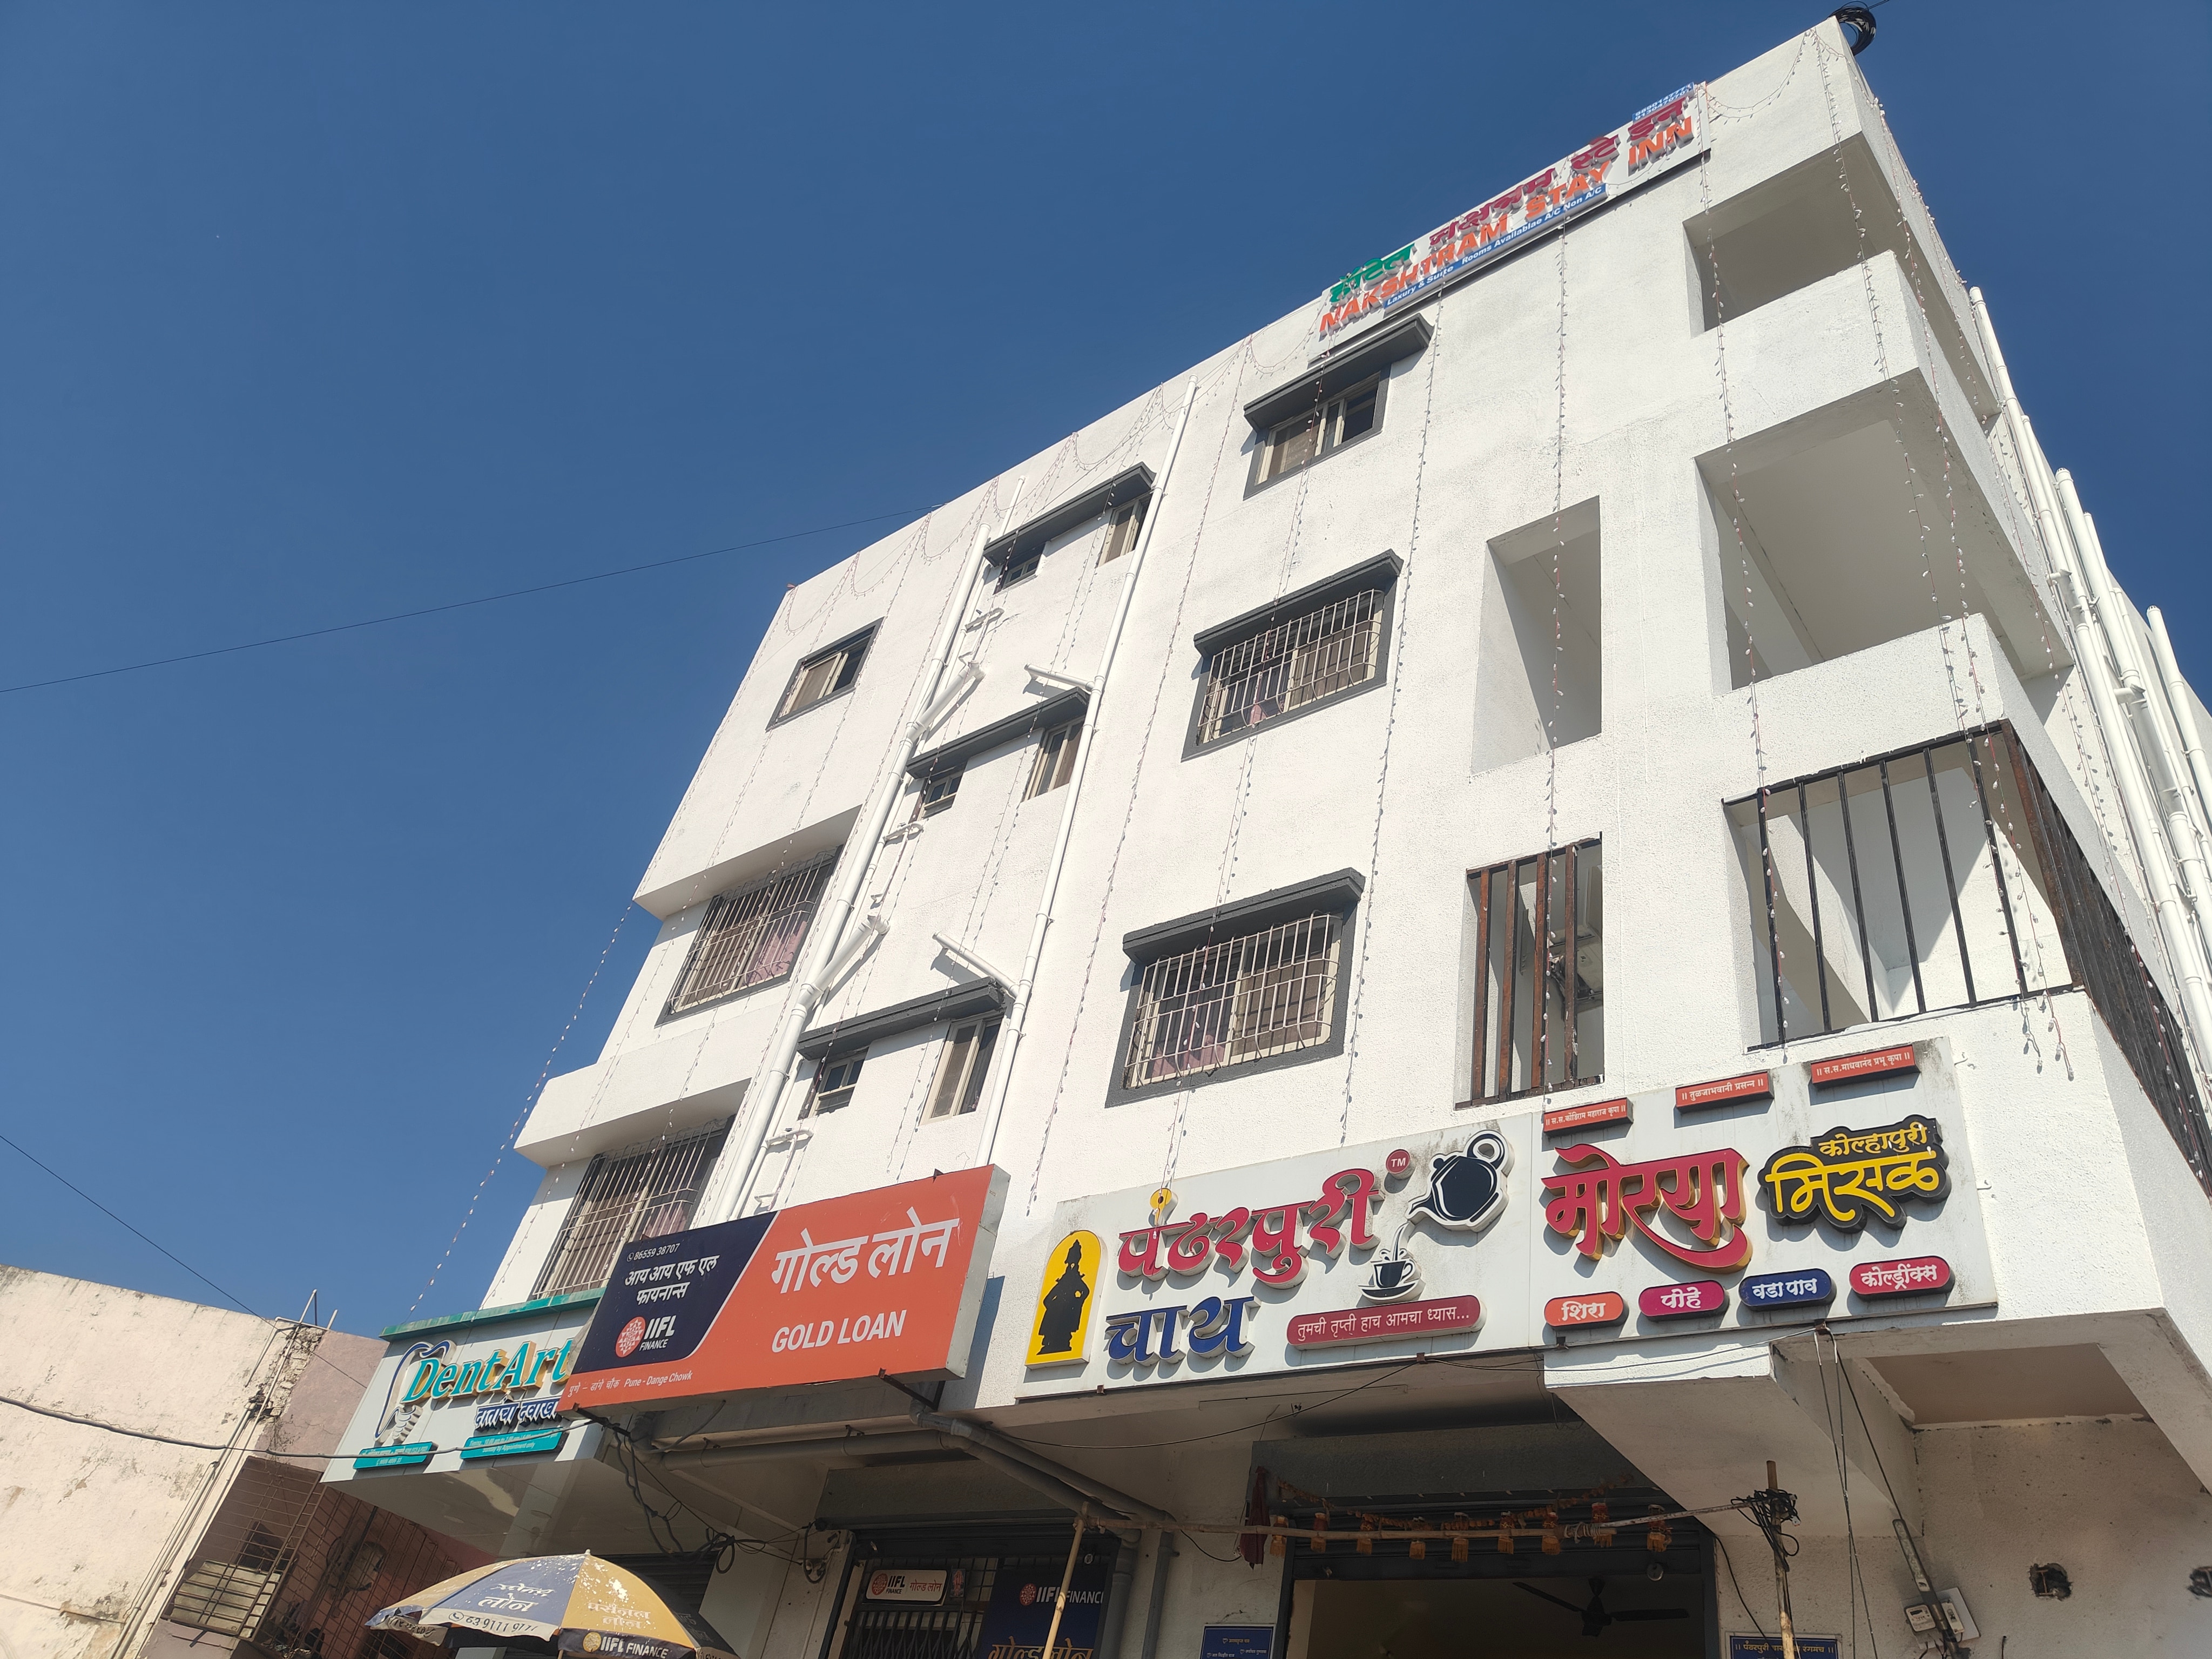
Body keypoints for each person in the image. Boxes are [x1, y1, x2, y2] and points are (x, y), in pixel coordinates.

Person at [1035, 1240, 1091, 1353]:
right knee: (1052, 1332)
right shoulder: (1064, 1280)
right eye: (1070, 1263)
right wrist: (1052, 1306)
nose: (1071, 1265)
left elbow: (1086, 1291)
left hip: (1068, 1310)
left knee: (1064, 1332)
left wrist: (1077, 1302)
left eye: (1073, 1263)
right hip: (1057, 1309)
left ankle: (1060, 1343)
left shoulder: (1076, 1279)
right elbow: (1047, 1299)